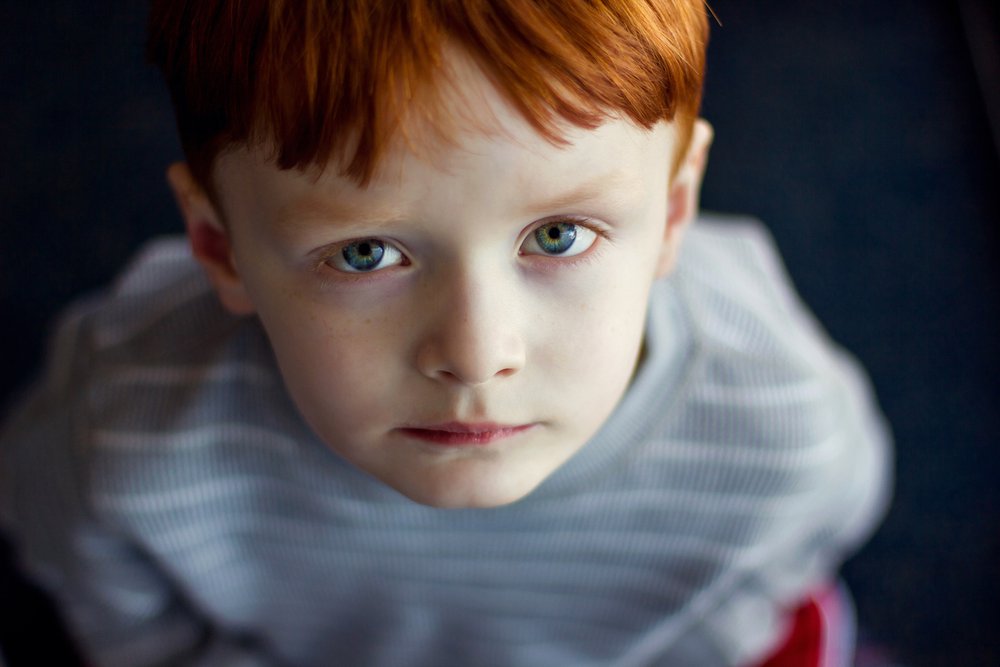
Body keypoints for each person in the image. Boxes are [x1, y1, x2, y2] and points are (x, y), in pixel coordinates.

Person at [0, 1, 892, 665]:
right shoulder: (119, 430)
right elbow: (118, 608)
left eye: (558, 236)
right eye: (364, 253)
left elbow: (781, 567)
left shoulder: (773, 424)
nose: (475, 352)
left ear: (672, 211)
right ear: (217, 245)